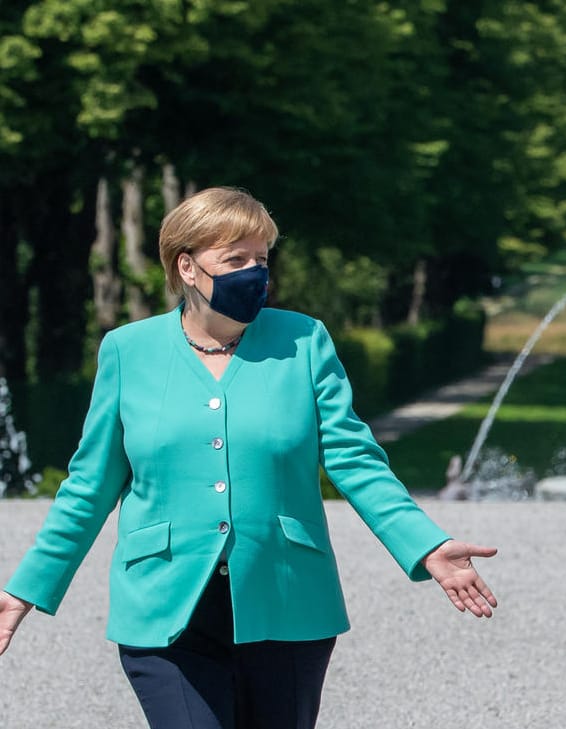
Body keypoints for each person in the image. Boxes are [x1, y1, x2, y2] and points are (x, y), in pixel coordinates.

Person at [0, 187, 498, 729]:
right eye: (235, 259)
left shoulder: (304, 340)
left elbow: (356, 459)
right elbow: (89, 485)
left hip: (287, 603)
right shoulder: (127, 350)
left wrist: (424, 544)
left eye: (261, 259)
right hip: (164, 611)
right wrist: (25, 589)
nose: (253, 272)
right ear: (187, 267)